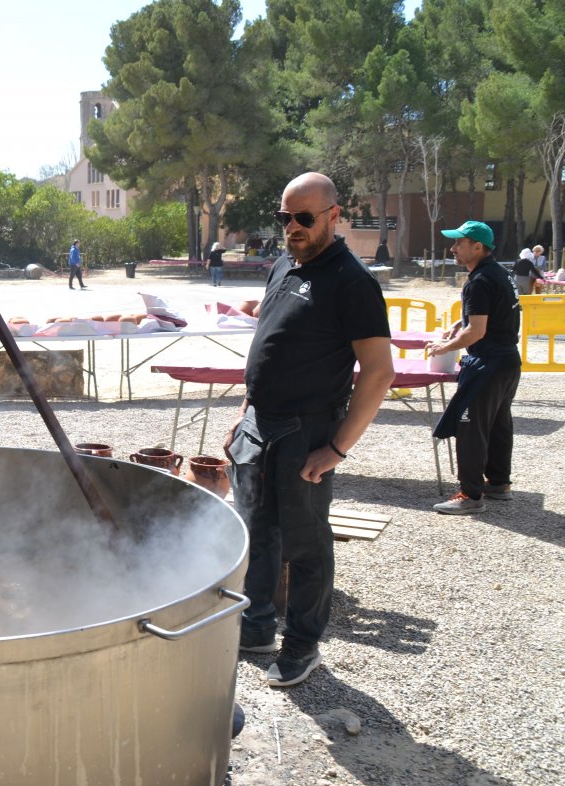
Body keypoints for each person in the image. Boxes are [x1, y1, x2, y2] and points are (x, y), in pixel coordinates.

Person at [224, 172, 393, 688]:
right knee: (256, 532)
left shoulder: (352, 281)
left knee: (306, 544)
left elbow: (380, 373)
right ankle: (255, 628)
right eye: (284, 218)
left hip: (306, 432)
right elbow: (270, 344)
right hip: (260, 426)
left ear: (334, 216)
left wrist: (338, 447)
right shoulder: (283, 265)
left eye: (303, 218)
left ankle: (301, 646)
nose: (292, 228)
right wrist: (246, 411)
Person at [427, 221, 522, 514]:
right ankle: (498, 482)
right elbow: (492, 314)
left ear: (477, 247)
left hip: (488, 363)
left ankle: (470, 495)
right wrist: (461, 323)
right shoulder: (499, 273)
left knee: (470, 426)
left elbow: (477, 332)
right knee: (498, 424)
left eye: (459, 243)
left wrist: (442, 347)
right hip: (508, 361)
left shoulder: (480, 279)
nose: (453, 249)